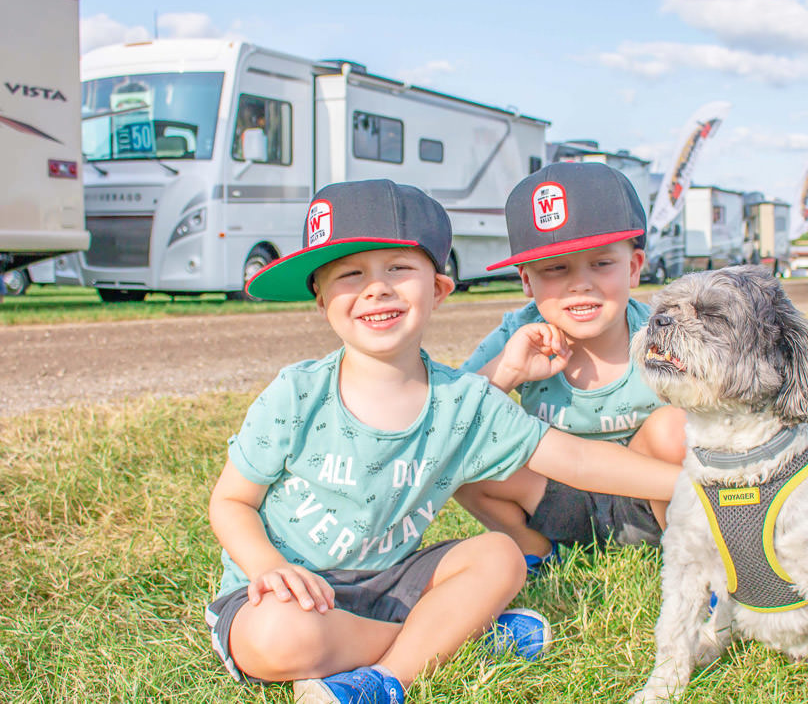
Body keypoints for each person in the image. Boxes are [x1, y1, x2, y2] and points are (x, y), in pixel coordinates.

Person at [205, 179, 683, 704]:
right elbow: (231, 502)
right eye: (350, 274)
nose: (376, 289)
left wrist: (698, 480)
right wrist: (267, 567)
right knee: (277, 638)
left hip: (395, 580)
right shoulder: (296, 393)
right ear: (320, 298)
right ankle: (451, 638)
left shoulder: (462, 400)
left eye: (398, 269)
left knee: (500, 557)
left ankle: (388, 677)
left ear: (437, 289)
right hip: (285, 590)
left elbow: (575, 458)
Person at [456, 162, 687, 573]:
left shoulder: (663, 335)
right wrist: (507, 371)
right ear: (526, 280)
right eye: (556, 267)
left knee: (675, 427)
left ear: (634, 267)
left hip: (651, 498)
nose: (580, 284)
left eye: (601, 263)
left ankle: (690, 557)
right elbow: (449, 419)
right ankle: (538, 553)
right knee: (465, 456)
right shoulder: (517, 334)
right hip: (557, 499)